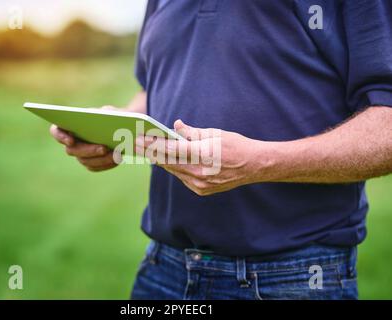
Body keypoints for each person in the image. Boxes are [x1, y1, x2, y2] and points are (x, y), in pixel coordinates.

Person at [50, 0, 392, 300]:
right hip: (164, 267)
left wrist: (260, 163)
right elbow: (153, 91)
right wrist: (115, 131)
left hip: (294, 275)